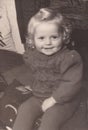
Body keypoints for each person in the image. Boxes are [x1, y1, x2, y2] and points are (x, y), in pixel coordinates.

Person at [8, 8, 83, 130]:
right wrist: (33, 85)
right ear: (32, 39)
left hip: (63, 100)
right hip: (39, 95)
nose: (48, 43)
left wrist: (54, 99)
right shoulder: (33, 55)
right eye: (41, 38)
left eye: (54, 37)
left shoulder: (69, 58)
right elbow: (36, 72)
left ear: (63, 36)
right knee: (25, 109)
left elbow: (72, 84)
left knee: (51, 118)